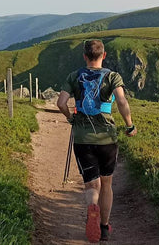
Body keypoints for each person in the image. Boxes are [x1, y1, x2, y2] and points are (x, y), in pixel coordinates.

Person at [57, 39, 136, 243]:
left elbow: (61, 103)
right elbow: (121, 101)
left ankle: (92, 207)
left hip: (83, 138)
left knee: (92, 184)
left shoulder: (74, 76)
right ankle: (104, 227)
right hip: (107, 138)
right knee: (107, 183)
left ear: (84, 56)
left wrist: (70, 118)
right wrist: (129, 125)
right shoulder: (112, 76)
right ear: (104, 55)